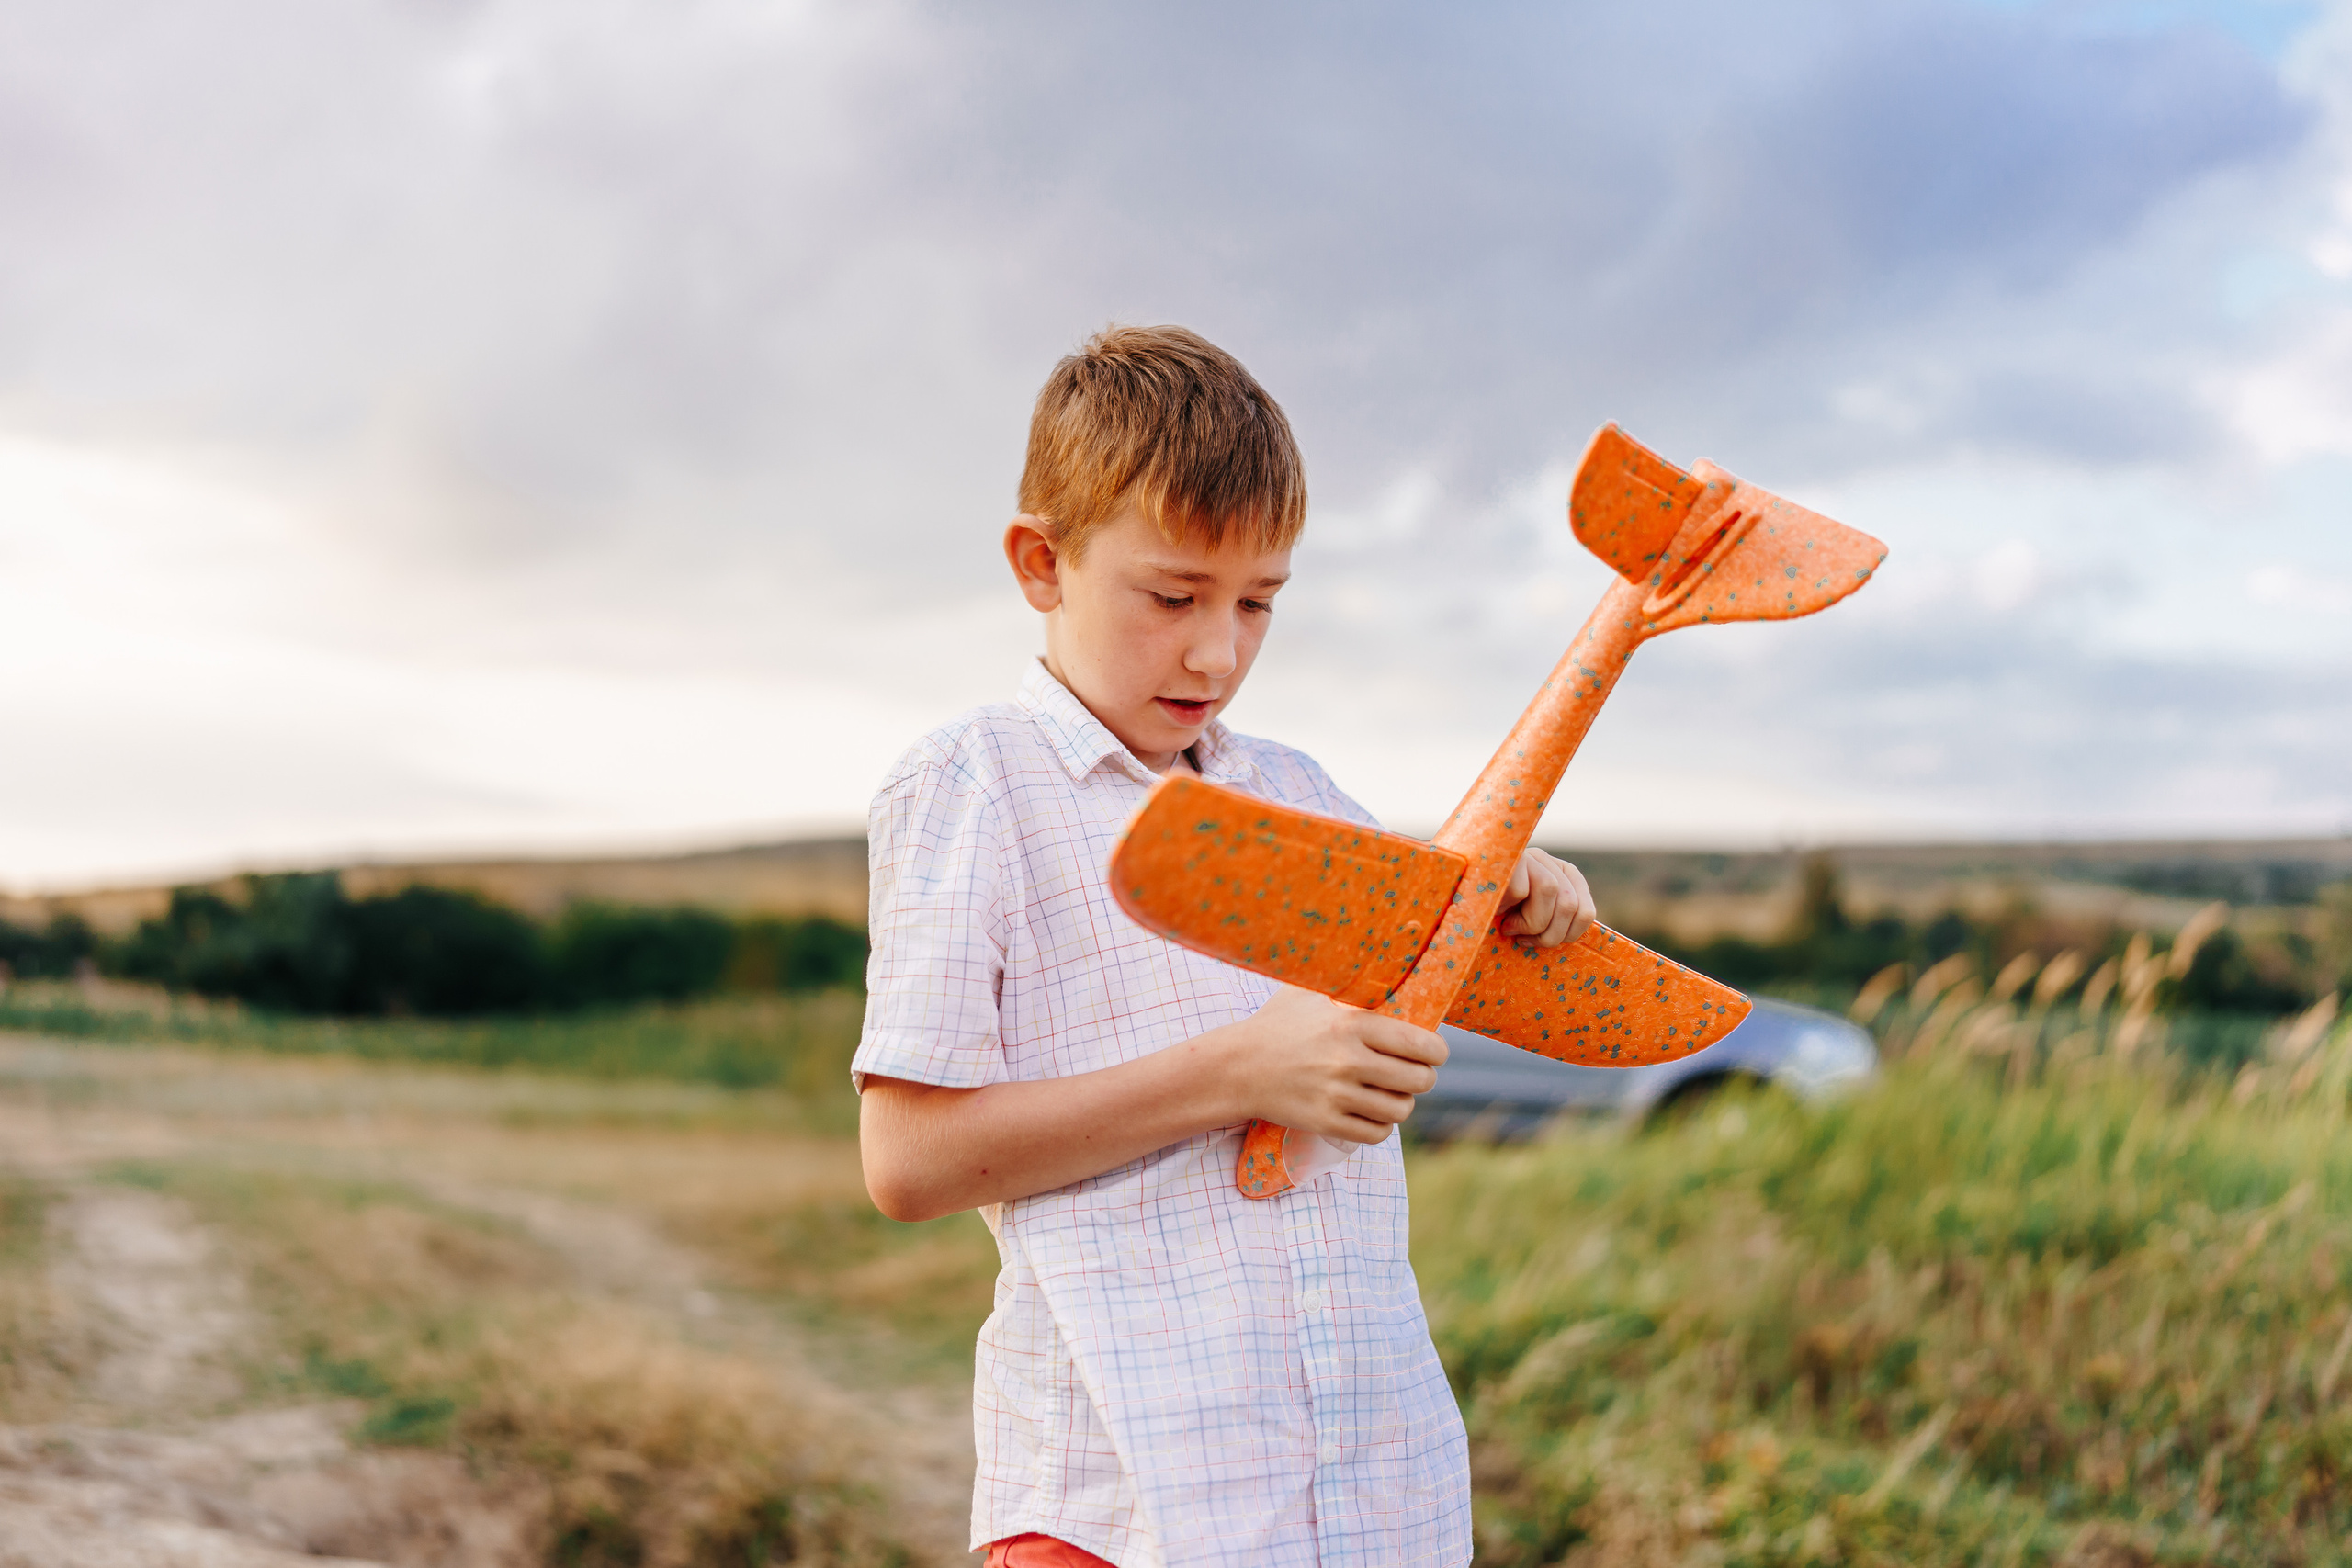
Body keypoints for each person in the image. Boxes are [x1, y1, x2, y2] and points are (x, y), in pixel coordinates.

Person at [854, 325, 1595, 1568]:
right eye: (1173, 596)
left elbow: (1429, 980)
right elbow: (909, 1163)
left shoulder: (1302, 796)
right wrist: (1236, 1075)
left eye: (1259, 602)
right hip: (1115, 1506)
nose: (1219, 650)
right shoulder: (975, 783)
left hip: (1359, 1492)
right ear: (1042, 562)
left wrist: (1524, 899)